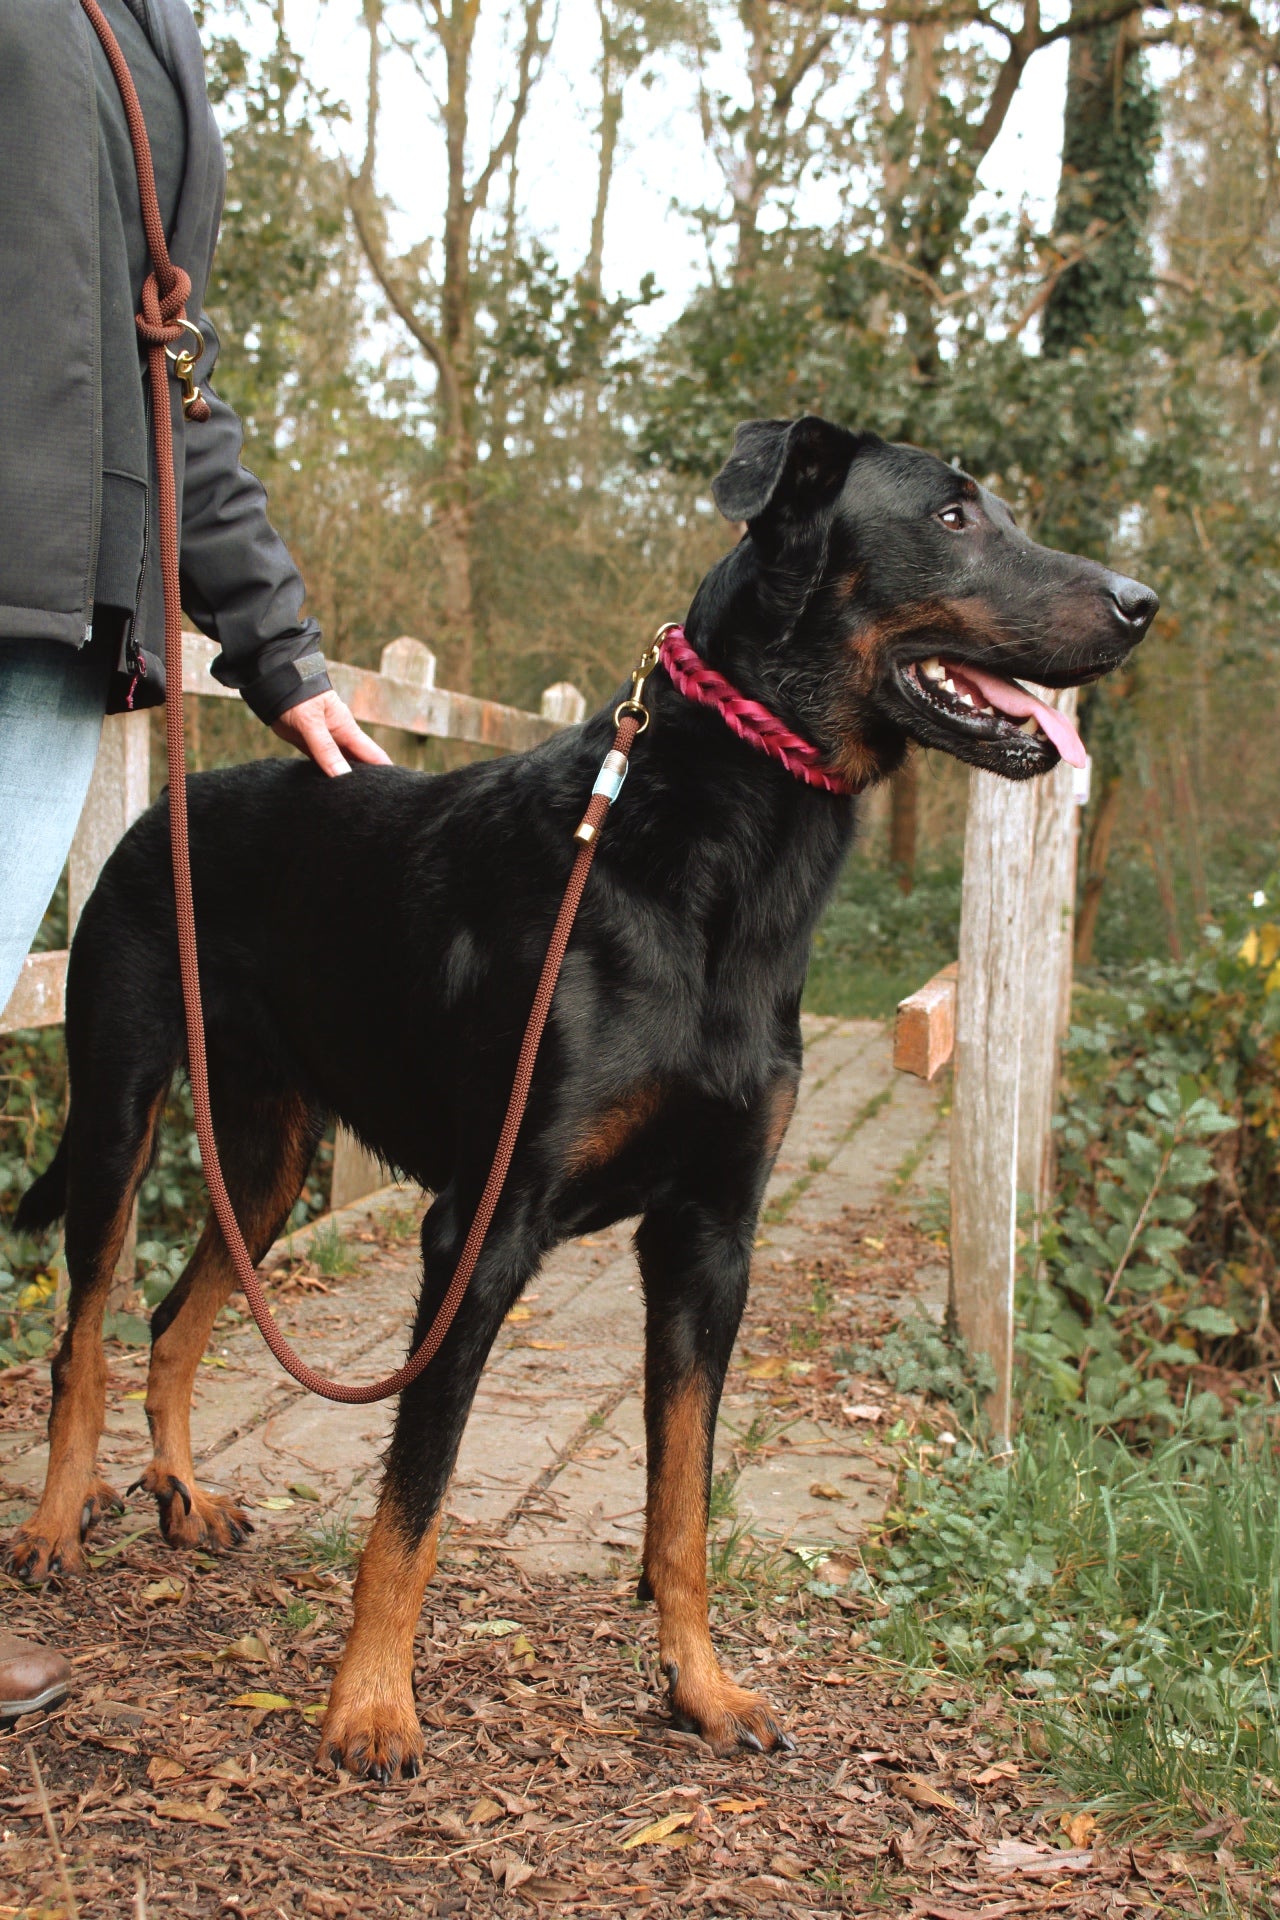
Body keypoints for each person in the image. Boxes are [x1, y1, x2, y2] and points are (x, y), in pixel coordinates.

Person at [0, 0, 391, 1718]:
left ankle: (128, 1431)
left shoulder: (150, 37)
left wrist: (283, 656)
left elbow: (174, 381)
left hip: (46, 645)